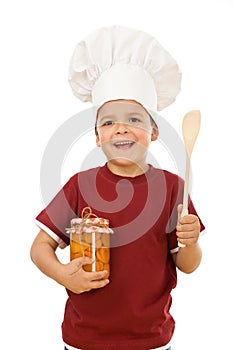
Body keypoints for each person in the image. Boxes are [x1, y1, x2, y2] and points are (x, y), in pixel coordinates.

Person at [30, 26, 205, 350]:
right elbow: (40, 248)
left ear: (154, 132)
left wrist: (190, 242)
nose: (121, 127)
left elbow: (187, 264)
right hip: (84, 337)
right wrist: (62, 274)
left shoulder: (171, 187)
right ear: (97, 137)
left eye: (135, 120)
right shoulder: (79, 186)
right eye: (108, 121)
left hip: (151, 338)